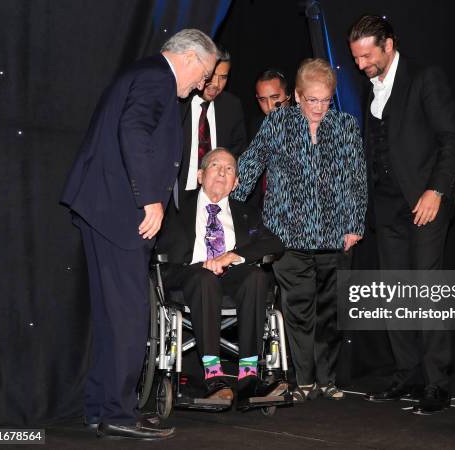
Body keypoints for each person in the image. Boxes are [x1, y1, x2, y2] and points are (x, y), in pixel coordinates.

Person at [60, 29, 218, 439]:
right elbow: (133, 131)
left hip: (104, 208)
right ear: (187, 57)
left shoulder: (144, 73)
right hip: (121, 211)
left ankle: (102, 409)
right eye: (203, 74)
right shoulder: (157, 78)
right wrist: (150, 199)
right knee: (129, 315)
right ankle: (118, 412)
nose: (201, 84)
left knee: (114, 316)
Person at [233, 58, 367, 402]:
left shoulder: (346, 126)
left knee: (331, 312)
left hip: (335, 235)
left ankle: (329, 380)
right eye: (312, 100)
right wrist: (224, 210)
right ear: (297, 95)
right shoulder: (277, 123)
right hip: (287, 236)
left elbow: (357, 179)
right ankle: (304, 380)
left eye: (325, 100)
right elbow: (249, 166)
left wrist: (354, 224)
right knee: (299, 311)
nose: (319, 108)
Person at [348, 15, 455, 413]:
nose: (361, 65)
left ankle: (436, 383)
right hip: (387, 207)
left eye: (367, 56)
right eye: (356, 58)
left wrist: (436, 190)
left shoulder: (424, 78)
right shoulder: (371, 89)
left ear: (389, 45)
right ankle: (407, 374)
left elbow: (451, 139)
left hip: (425, 202)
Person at [155, 148, 286, 408]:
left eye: (229, 169)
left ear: (236, 183)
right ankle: (213, 375)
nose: (222, 172)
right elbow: (159, 246)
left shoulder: (246, 212)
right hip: (189, 274)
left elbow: (274, 243)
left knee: (257, 278)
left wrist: (231, 256)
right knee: (205, 278)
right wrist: (203, 264)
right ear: (201, 175)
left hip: (230, 276)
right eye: (216, 166)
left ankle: (248, 376)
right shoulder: (177, 208)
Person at [175, 47, 247, 206]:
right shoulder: (179, 101)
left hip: (215, 197)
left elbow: (238, 151)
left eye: (223, 77)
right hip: (176, 197)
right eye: (212, 76)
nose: (216, 84)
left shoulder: (231, 106)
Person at [246, 69, 291, 207]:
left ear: (289, 95)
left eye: (275, 97)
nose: (270, 106)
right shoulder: (254, 127)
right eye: (262, 100)